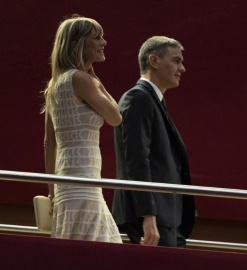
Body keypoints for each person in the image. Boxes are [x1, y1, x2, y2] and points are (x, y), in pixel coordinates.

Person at [43, 15, 122, 243]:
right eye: (97, 38)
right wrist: (96, 80)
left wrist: (52, 191)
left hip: (66, 185)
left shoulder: (54, 84)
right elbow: (116, 118)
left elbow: (49, 143)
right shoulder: (82, 79)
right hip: (84, 182)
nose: (103, 43)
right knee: (103, 248)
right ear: (77, 44)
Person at [112, 36, 195, 247]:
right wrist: (148, 216)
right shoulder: (138, 98)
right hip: (151, 219)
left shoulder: (152, 99)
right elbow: (137, 161)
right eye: (176, 61)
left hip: (165, 217)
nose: (182, 68)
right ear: (154, 61)